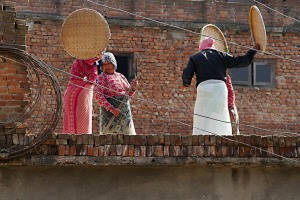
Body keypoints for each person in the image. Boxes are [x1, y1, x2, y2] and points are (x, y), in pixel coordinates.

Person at [182, 37, 260, 135]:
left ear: (201, 47)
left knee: (202, 115)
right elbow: (240, 61)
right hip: (219, 89)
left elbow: (187, 73)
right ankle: (223, 135)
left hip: (204, 88)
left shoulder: (195, 57)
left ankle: (201, 136)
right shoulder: (221, 56)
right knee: (220, 115)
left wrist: (185, 84)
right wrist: (252, 51)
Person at [94, 52, 138, 135]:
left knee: (127, 136)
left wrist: (133, 87)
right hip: (109, 113)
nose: (107, 66)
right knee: (108, 137)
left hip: (123, 112)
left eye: (109, 64)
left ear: (114, 64)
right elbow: (98, 96)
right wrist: (111, 109)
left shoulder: (120, 77)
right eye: (104, 64)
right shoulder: (101, 78)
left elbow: (128, 94)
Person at [63, 57, 100, 134]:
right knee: (79, 121)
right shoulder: (80, 62)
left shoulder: (93, 65)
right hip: (77, 93)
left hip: (85, 94)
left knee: (84, 121)